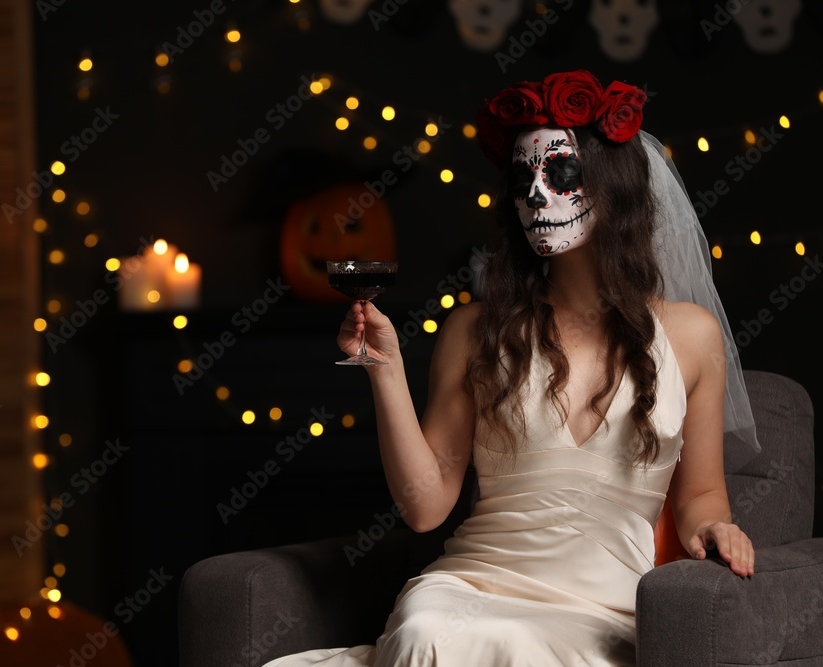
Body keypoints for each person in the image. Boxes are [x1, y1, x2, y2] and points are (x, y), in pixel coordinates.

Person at [262, 70, 760, 667]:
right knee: (427, 631)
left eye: (559, 174)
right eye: (523, 178)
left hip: (602, 611)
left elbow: (701, 494)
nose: (536, 196)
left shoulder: (691, 335)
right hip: (468, 590)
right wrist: (386, 371)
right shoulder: (474, 330)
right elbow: (425, 508)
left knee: (522, 649)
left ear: (614, 187)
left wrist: (714, 529)